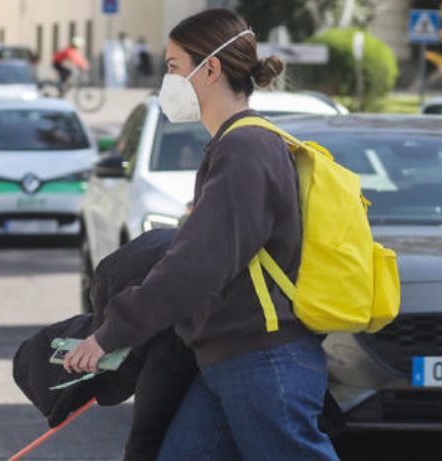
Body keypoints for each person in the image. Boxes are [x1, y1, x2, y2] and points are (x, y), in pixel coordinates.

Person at [64, 8, 340, 461]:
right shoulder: (238, 143)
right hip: (231, 360)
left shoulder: (246, 148)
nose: (166, 81)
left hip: (261, 363)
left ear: (208, 68)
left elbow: (196, 266)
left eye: (173, 66)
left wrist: (109, 334)